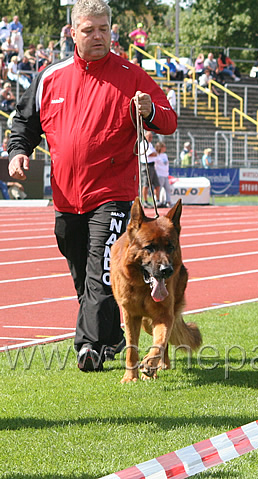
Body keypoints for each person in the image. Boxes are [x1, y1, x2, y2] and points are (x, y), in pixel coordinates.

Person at [7, 0, 177, 372]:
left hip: (114, 195)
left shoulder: (131, 74)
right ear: (72, 33)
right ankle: (112, 335)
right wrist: (18, 151)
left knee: (101, 268)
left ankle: (88, 347)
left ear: (111, 30)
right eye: (89, 29)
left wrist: (148, 111)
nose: (98, 36)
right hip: (67, 196)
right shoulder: (50, 77)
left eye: (104, 29)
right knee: (82, 273)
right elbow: (24, 122)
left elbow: (168, 119)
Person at [139, 130, 159, 207]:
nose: (150, 138)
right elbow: (151, 154)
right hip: (146, 165)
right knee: (146, 184)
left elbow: (154, 154)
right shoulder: (143, 144)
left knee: (157, 184)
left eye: (151, 137)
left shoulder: (150, 144)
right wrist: (154, 154)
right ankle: (145, 201)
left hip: (152, 166)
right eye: (149, 137)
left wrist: (155, 154)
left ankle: (157, 200)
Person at [154, 140, 172, 207]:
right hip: (159, 174)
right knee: (159, 188)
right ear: (160, 147)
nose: (165, 148)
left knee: (167, 188)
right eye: (164, 146)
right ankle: (156, 200)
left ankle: (168, 201)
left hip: (165, 174)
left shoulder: (165, 155)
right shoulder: (156, 155)